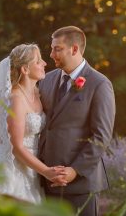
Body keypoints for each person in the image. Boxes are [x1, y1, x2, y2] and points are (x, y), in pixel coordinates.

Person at [38, 26, 116, 216]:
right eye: (51, 48)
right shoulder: (46, 80)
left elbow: (101, 136)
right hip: (45, 182)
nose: (51, 54)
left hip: (80, 186)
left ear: (74, 49)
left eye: (57, 49)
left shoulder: (100, 84)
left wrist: (74, 170)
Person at [0, 44, 67, 203]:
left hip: (31, 169)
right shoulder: (16, 99)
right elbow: (17, 147)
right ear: (25, 70)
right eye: (38, 61)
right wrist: (47, 171)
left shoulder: (37, 93)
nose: (45, 64)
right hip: (12, 171)